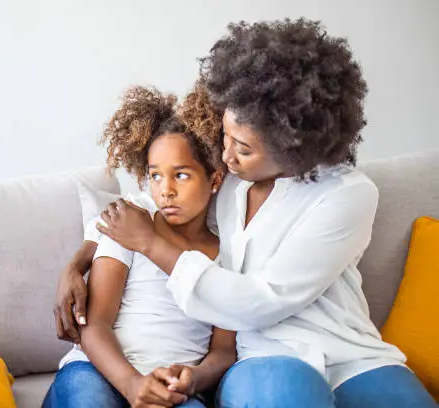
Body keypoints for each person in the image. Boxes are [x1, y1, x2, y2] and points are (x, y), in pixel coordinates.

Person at [53, 19, 438, 407]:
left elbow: (260, 301)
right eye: (225, 136)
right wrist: (77, 264)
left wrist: (152, 244)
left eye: (243, 148)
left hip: (348, 354)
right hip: (266, 357)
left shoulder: (348, 193)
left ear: (294, 148)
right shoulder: (228, 182)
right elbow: (146, 203)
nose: (225, 155)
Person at [44, 84, 237, 408]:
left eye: (182, 175)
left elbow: (222, 351)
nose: (166, 190)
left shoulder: (227, 254)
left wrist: (192, 381)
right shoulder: (130, 224)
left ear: (215, 179)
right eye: (155, 176)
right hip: (97, 372)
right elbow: (95, 324)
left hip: (174, 389)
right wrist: (133, 384)